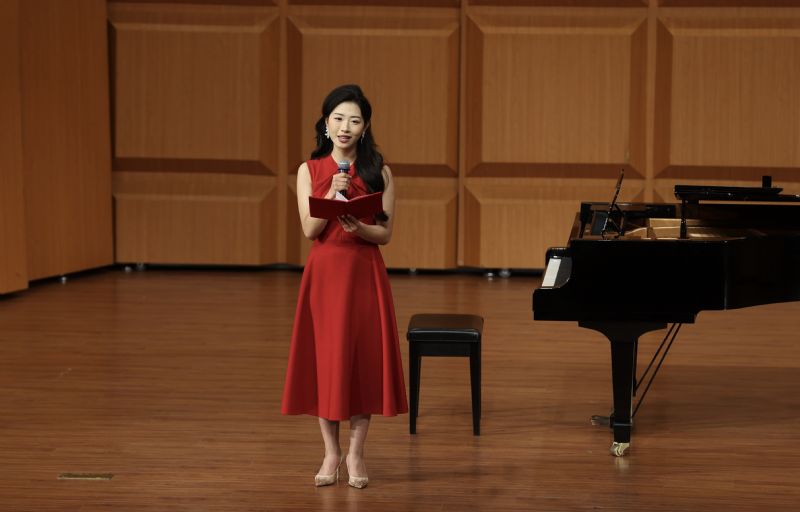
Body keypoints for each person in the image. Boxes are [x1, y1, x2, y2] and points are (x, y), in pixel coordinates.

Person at [281, 84, 408, 489]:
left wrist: (360, 228)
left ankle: (356, 453)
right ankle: (330, 452)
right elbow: (309, 229)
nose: (345, 127)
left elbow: (385, 234)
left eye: (354, 120)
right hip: (325, 275)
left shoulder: (379, 172)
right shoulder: (309, 170)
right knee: (327, 360)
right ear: (326, 123)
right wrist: (331, 193)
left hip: (363, 272)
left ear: (365, 127)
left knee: (361, 361)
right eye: (338, 118)